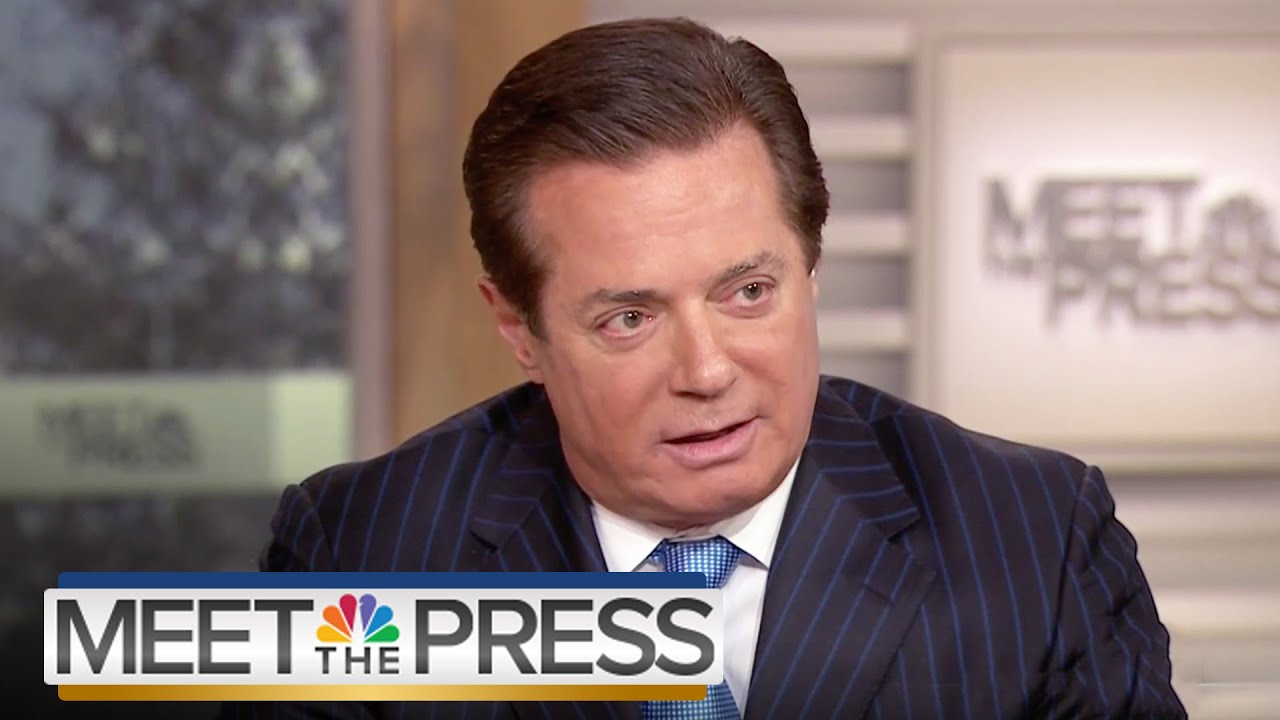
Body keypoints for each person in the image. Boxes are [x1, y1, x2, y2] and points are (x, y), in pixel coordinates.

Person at [220, 16, 1185, 720]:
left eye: (748, 292)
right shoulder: (361, 552)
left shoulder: (1034, 537)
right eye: (630, 318)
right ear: (519, 328)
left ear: (810, 267)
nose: (707, 369)